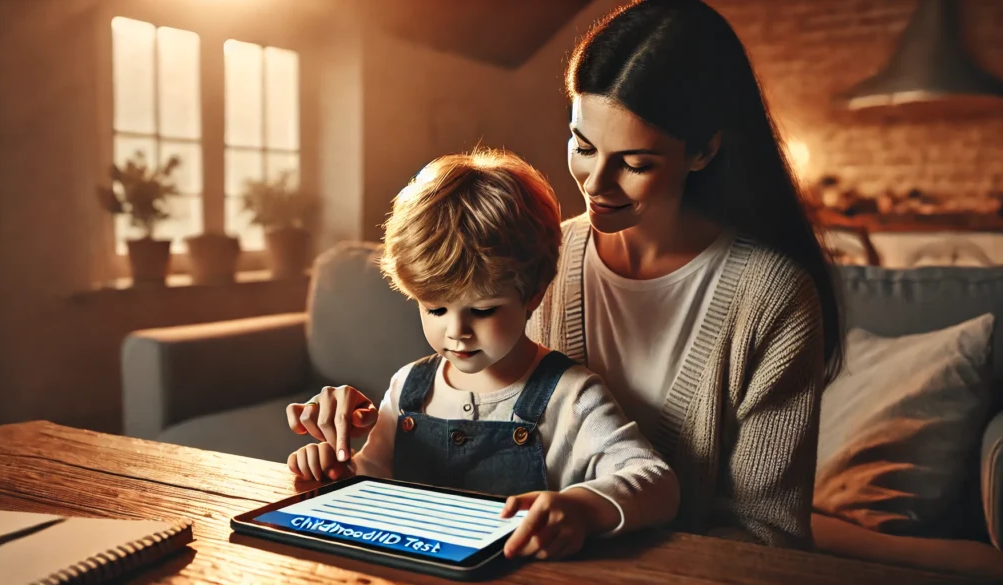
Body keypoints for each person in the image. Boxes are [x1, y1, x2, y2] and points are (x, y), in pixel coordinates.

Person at [290, 0, 844, 550]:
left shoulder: (774, 296)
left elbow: (767, 535)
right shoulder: (535, 252)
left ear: (702, 151)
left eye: (634, 163)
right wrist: (360, 430)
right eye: (583, 146)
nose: (595, 183)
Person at [286, 149, 679, 561]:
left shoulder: (572, 395)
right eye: (435, 308)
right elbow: (374, 479)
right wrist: (334, 467)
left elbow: (656, 482)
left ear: (533, 294)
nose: (456, 332)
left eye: (483, 309)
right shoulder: (408, 389)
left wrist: (583, 508)